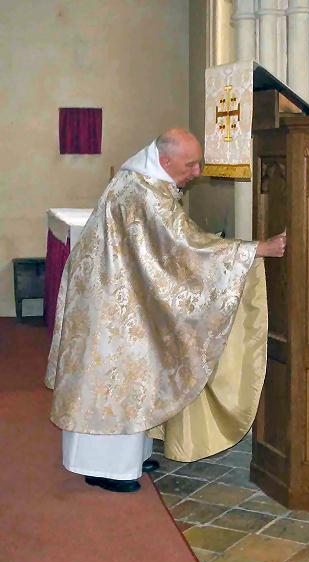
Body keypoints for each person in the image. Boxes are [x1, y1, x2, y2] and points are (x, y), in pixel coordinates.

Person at [45, 128, 285, 493]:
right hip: (114, 305)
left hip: (116, 295)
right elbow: (180, 247)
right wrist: (253, 251)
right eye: (190, 164)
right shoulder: (144, 193)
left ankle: (129, 458)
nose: (197, 171)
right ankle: (105, 468)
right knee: (119, 381)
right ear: (166, 160)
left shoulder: (143, 179)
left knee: (133, 378)